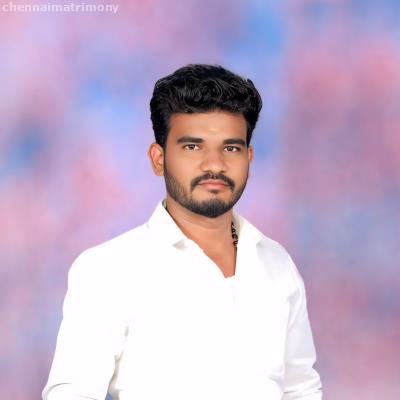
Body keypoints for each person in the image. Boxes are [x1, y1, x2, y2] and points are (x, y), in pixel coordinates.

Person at [43, 64, 322, 400]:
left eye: (231, 148)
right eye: (193, 146)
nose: (214, 164)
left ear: (249, 158)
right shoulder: (108, 269)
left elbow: (300, 388)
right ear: (158, 158)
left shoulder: (277, 264)